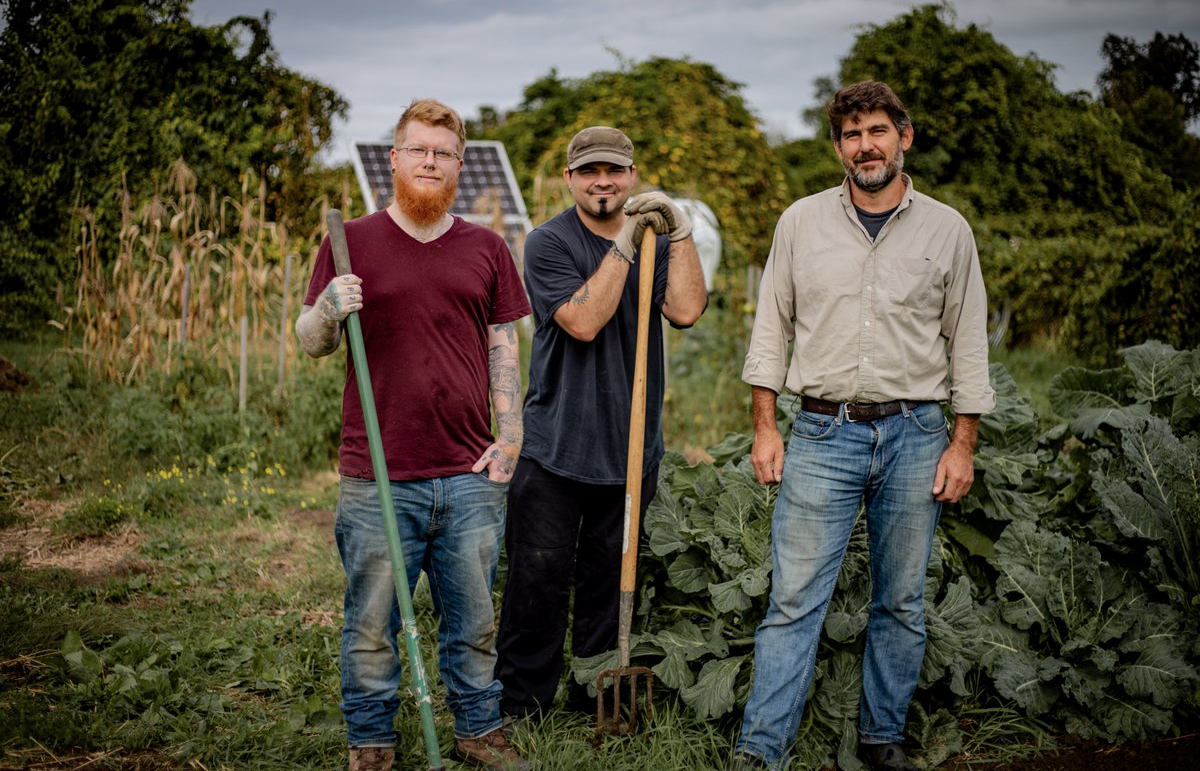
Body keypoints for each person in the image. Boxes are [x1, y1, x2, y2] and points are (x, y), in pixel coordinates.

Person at [728, 81, 996, 771]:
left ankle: (881, 740)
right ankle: (763, 751)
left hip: (916, 435)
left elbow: (968, 341)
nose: (865, 145)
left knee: (901, 601)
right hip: (821, 435)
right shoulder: (800, 223)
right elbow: (771, 331)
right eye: (851, 134)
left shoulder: (947, 229)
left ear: (904, 137)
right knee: (793, 601)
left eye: (877, 130)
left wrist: (962, 443)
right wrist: (766, 426)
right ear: (838, 147)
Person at [296, 99, 532, 771]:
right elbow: (311, 343)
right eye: (417, 149)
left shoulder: (486, 247)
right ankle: (371, 743)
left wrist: (510, 436)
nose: (430, 162)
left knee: (475, 621)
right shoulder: (353, 244)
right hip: (377, 473)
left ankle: (478, 731)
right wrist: (326, 310)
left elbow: (503, 345)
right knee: (371, 622)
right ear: (394, 158)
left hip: (468, 472)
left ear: (461, 164)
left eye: (443, 152)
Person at [494, 126, 708, 723]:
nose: (603, 182)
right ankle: (521, 707)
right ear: (570, 179)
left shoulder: (660, 244)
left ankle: (595, 700)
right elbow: (584, 321)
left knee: (605, 586)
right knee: (536, 585)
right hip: (555, 448)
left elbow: (687, 309)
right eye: (589, 172)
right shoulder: (546, 243)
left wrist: (680, 231)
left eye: (614, 171)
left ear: (632, 175)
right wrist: (625, 242)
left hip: (630, 449)